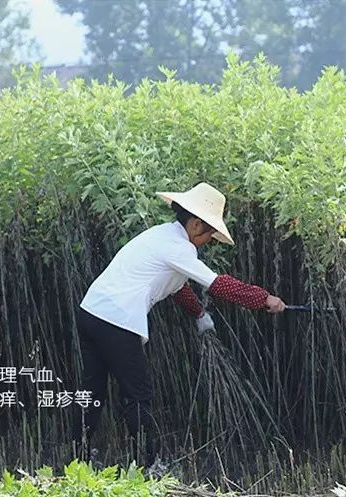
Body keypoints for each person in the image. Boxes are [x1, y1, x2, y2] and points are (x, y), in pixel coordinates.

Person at [74, 182, 287, 468]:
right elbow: (218, 285)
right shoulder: (179, 247)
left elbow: (177, 287)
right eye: (210, 235)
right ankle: (149, 466)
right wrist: (264, 299)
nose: (208, 241)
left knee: (93, 390)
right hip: (117, 320)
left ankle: (79, 459)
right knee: (138, 395)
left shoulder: (160, 236)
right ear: (197, 225)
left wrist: (199, 314)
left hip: (90, 312)